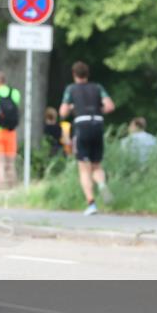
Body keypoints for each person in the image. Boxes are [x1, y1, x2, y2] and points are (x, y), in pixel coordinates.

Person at [59, 61, 115, 215]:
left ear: (74, 74)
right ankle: (102, 183)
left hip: (82, 126)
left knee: (84, 168)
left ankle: (91, 204)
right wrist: (98, 110)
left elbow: (62, 112)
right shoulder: (97, 88)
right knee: (97, 165)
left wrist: (71, 108)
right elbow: (110, 106)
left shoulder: (71, 89)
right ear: (87, 74)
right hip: (97, 124)